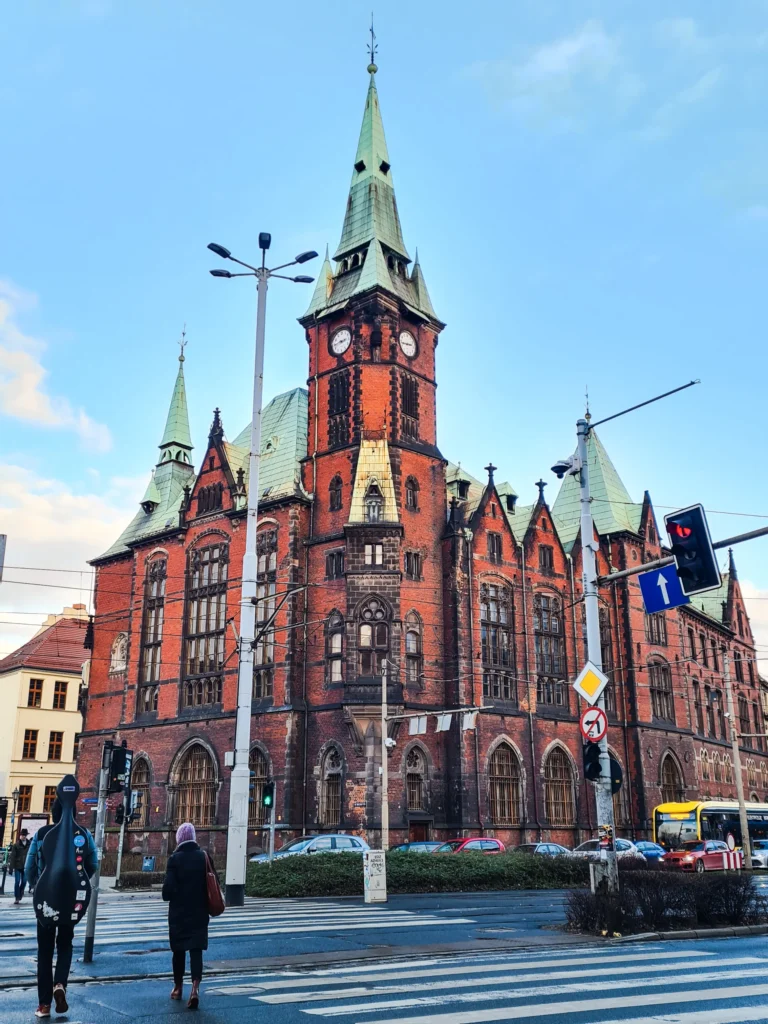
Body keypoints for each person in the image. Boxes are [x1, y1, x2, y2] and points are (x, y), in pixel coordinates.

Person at [25, 801, 97, 1018]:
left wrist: (37, 886)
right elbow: (93, 862)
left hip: (45, 901)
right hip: (71, 900)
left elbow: (29, 867)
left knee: (45, 951)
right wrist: (80, 880)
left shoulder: (41, 834)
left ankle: (44, 1005)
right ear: (73, 814)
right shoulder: (83, 834)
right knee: (65, 945)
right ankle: (60, 985)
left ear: (53, 814)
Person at [162, 822, 212, 1010]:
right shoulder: (203, 857)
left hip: (179, 914)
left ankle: (177, 987)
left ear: (179, 839)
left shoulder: (174, 859)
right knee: (196, 950)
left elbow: (167, 892)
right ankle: (195, 988)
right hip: (200, 912)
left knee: (179, 951)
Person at [8, 828, 30, 904]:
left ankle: (21, 893)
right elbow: (12, 857)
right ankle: (17, 897)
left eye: (24, 835)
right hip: (18, 866)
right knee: (17, 881)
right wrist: (11, 868)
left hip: (26, 866)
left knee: (24, 882)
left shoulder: (29, 844)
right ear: (20, 836)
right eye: (22, 835)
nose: (23, 836)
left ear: (26, 836)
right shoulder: (16, 845)